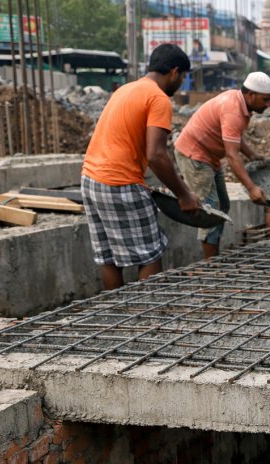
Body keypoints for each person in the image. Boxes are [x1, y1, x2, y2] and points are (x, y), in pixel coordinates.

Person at [81, 43, 200, 290]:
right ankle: (145, 315)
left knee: (109, 257)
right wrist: (184, 194)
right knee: (149, 253)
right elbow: (156, 154)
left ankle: (114, 313)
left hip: (90, 178)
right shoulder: (157, 98)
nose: (181, 84)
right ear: (175, 72)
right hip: (120, 182)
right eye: (183, 77)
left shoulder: (126, 89)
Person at [174, 72, 270, 258]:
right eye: (266, 100)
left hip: (209, 156)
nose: (269, 105)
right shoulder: (233, 111)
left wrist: (252, 154)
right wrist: (251, 188)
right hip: (194, 156)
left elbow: (234, 137)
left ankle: (214, 254)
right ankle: (210, 263)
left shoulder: (239, 103)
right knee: (211, 209)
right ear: (250, 94)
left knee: (223, 205)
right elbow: (232, 155)